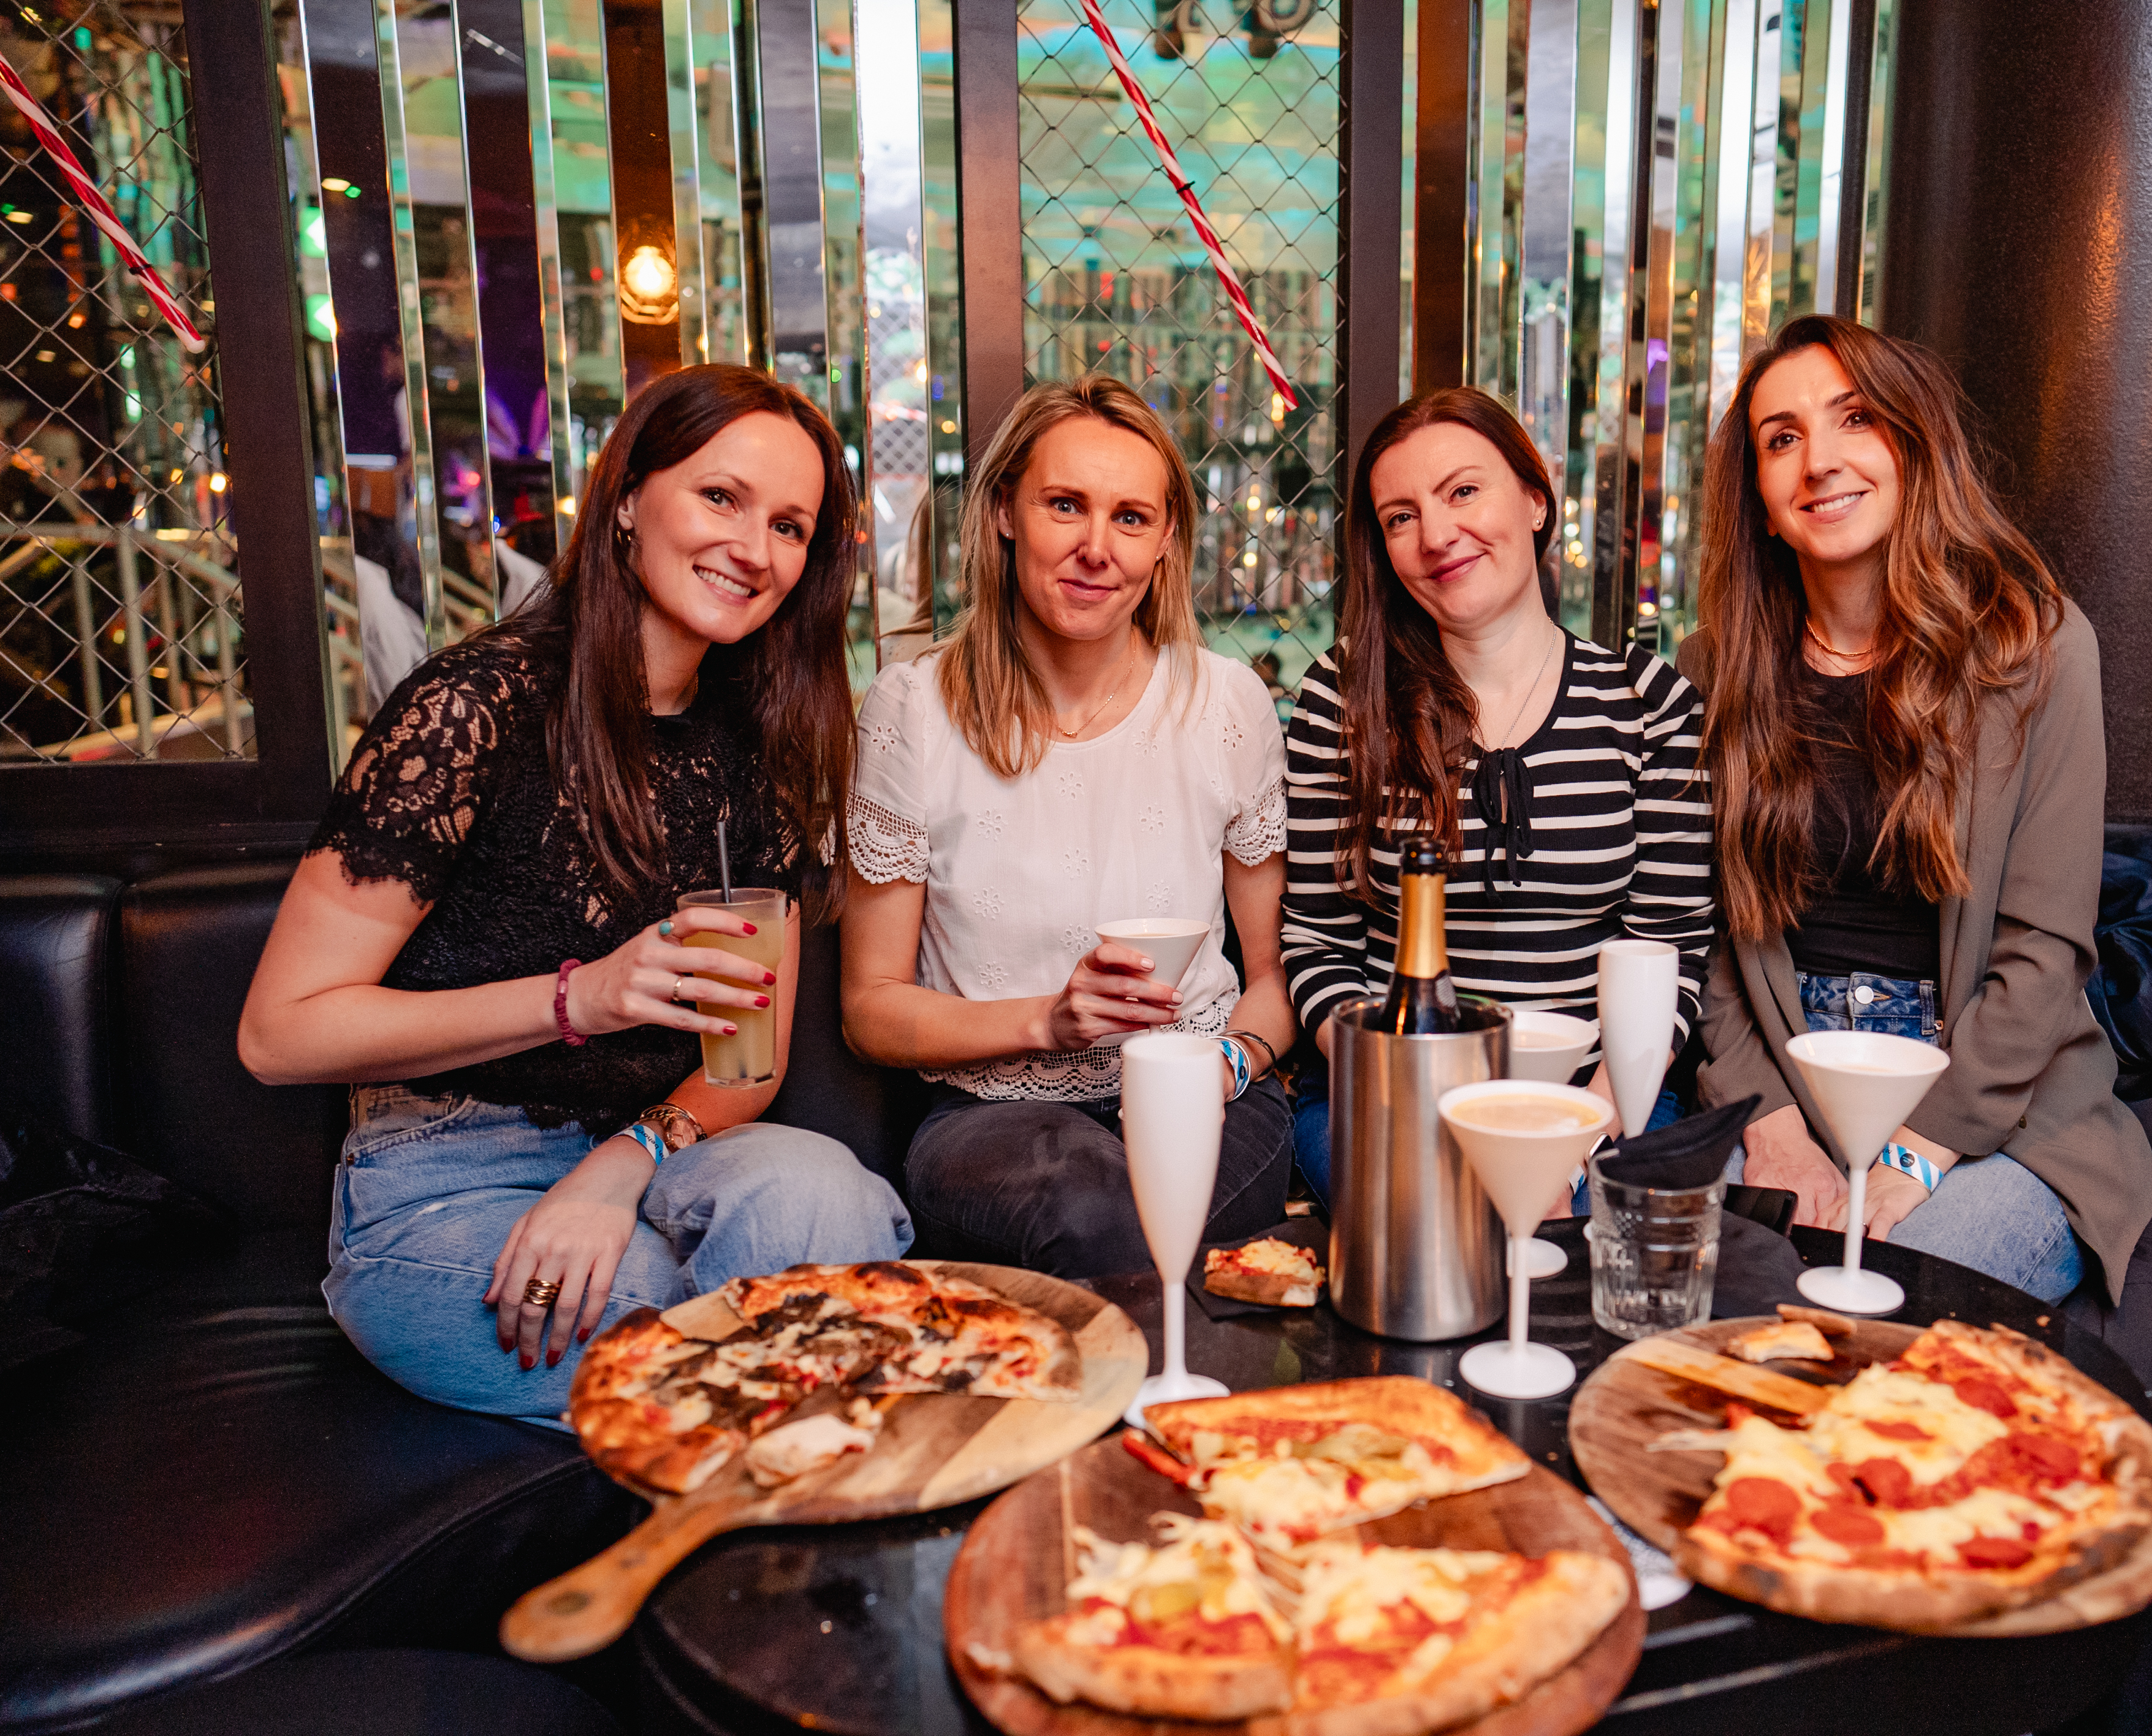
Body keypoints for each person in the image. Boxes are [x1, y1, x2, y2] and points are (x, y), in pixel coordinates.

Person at [238, 365, 912, 1420]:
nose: (755, 547)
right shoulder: (472, 712)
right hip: (442, 1180)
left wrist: (624, 1160)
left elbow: (750, 1060)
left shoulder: (757, 751)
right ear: (630, 499)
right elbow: (280, 1034)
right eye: (721, 497)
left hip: (661, 1152)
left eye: (791, 526)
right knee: (781, 1344)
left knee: (820, 1194)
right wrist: (579, 999)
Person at [1681, 315, 2152, 1304]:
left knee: (1869, 1311)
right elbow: (1716, 943)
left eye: (1855, 419)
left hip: (1998, 1111)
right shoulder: (1715, 672)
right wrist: (1769, 1123)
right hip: (1789, 1085)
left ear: (1912, 446)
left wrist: (1917, 1151)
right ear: (1762, 504)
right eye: (1782, 438)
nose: (1820, 462)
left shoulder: (2043, 653)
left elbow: (2044, 953)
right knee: (1667, 1285)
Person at [841, 375, 1296, 1278]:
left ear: (1167, 541)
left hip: (1207, 1093)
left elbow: (1275, 981)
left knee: (1148, 1210)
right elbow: (870, 1011)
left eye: (1131, 518)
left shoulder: (1228, 706)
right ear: (1006, 510)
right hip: (987, 1118)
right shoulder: (914, 711)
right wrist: (1050, 1021)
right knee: (1101, 1213)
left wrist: (1230, 1068)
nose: (1096, 548)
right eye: (1065, 505)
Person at [1281, 387, 1714, 1203]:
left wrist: (1576, 1137)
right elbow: (1317, 944)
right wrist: (1427, 1112)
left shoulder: (1649, 702)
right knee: (1437, 1226)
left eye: (1463, 492)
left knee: (1588, 1266)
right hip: (1390, 1092)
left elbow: (1674, 949)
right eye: (1400, 517)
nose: (1437, 535)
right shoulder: (1343, 700)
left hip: (1603, 1100)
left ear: (1536, 499)